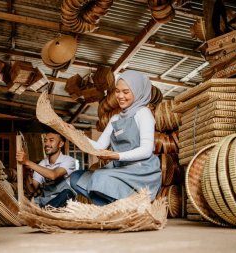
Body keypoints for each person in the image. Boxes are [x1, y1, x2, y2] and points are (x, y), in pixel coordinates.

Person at [70, 70, 161, 206]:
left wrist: (116, 156)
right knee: (76, 178)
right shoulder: (116, 118)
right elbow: (99, 146)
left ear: (137, 92)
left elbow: (146, 150)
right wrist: (76, 134)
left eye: (126, 92)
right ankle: (119, 207)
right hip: (119, 169)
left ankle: (133, 202)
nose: (120, 96)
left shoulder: (143, 113)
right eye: (117, 91)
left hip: (141, 171)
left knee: (99, 177)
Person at [16, 131, 76, 208]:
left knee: (68, 193)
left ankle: (45, 211)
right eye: (45, 141)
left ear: (61, 144)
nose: (47, 144)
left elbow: (53, 175)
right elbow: (31, 190)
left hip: (64, 199)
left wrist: (28, 162)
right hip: (47, 200)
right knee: (18, 198)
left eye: (51, 140)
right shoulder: (42, 164)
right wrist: (27, 170)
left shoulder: (68, 160)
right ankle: (46, 209)